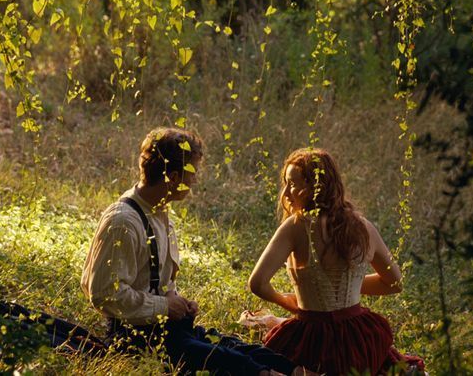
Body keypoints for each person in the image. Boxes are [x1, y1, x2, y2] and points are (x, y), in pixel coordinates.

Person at [81, 127, 308, 376]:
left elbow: (152, 282)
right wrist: (164, 306)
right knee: (229, 362)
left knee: (237, 348)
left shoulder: (160, 213)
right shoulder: (123, 222)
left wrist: (178, 302)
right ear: (175, 176)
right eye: (193, 173)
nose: (195, 181)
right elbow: (103, 294)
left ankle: (299, 372)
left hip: (168, 329)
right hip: (135, 338)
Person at [249, 148, 426, 375]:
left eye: (293, 184)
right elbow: (394, 283)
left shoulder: (295, 227)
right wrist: (349, 285)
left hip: (312, 338)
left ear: (315, 187)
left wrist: (288, 303)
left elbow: (258, 283)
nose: (286, 192)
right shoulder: (364, 227)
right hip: (358, 339)